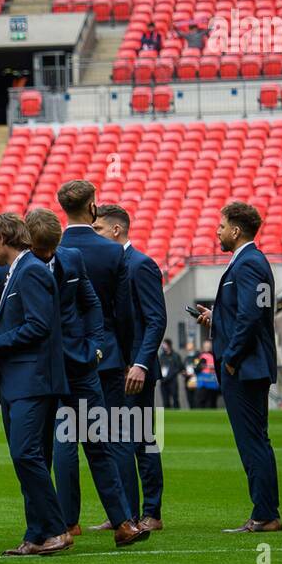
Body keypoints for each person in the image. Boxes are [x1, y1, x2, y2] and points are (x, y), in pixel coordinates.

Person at [15, 209, 148, 547]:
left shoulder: (72, 259)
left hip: (79, 366)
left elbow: (91, 304)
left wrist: (94, 345)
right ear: (29, 242)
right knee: (40, 451)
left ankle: (123, 523)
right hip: (40, 372)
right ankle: (52, 527)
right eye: (42, 250)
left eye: (51, 248)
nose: (48, 255)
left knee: (97, 443)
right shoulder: (12, 269)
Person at [0, 213, 73, 557]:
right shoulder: (22, 270)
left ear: (3, 238)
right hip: (20, 379)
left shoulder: (30, 270)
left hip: (32, 380)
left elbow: (39, 324)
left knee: (25, 454)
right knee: (31, 457)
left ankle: (57, 529)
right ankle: (36, 534)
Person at [194, 202, 281, 533]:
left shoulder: (248, 264)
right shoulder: (251, 262)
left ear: (236, 230)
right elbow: (247, 313)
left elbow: (251, 316)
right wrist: (216, 318)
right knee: (256, 439)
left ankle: (264, 514)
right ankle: (266, 511)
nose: (217, 230)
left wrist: (230, 358)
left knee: (252, 441)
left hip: (244, 368)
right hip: (249, 365)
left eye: (221, 225)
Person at [55, 180, 134, 535]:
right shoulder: (113, 253)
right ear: (93, 209)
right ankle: (123, 517)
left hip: (63, 356)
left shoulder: (50, 250)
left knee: (65, 438)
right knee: (109, 436)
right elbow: (123, 311)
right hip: (108, 355)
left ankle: (68, 521)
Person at [94, 203, 168, 532]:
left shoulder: (141, 265)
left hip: (135, 371)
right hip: (115, 368)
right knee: (117, 440)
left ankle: (151, 512)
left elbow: (155, 319)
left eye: (97, 229)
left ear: (116, 230)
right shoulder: (110, 266)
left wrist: (140, 362)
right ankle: (124, 513)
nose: (94, 235)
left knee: (142, 439)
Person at [157, 339, 184, 410]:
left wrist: (170, 374)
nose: (163, 346)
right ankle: (166, 417)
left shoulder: (175, 355)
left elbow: (179, 367)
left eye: (164, 344)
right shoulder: (161, 356)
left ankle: (177, 416)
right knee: (165, 400)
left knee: (175, 399)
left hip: (172, 381)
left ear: (169, 345)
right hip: (163, 381)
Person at [194, 342, 220, 408]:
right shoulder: (200, 356)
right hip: (203, 382)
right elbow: (197, 368)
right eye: (206, 346)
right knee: (201, 401)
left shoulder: (215, 355)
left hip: (212, 382)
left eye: (208, 346)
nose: (207, 347)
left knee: (211, 402)